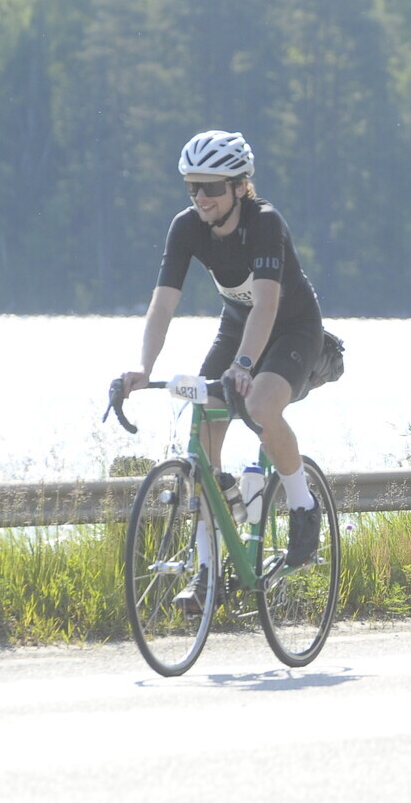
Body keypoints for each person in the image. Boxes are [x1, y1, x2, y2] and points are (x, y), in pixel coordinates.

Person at [117, 130, 328, 597]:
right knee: (205, 424)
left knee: (260, 407)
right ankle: (207, 568)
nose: (200, 197)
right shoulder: (186, 226)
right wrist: (143, 367)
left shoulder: (265, 222)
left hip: (292, 327)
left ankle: (302, 505)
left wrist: (244, 365)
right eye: (192, 186)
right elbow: (162, 304)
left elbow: (267, 304)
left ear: (239, 186)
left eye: (211, 187)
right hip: (236, 327)